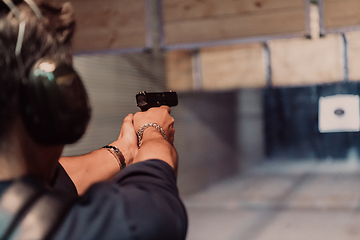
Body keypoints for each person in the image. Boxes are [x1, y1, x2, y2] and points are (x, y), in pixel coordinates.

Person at [0, 0, 188, 239]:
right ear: (54, 104)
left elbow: (57, 179)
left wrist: (125, 150)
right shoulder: (79, 229)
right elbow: (155, 210)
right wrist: (153, 131)